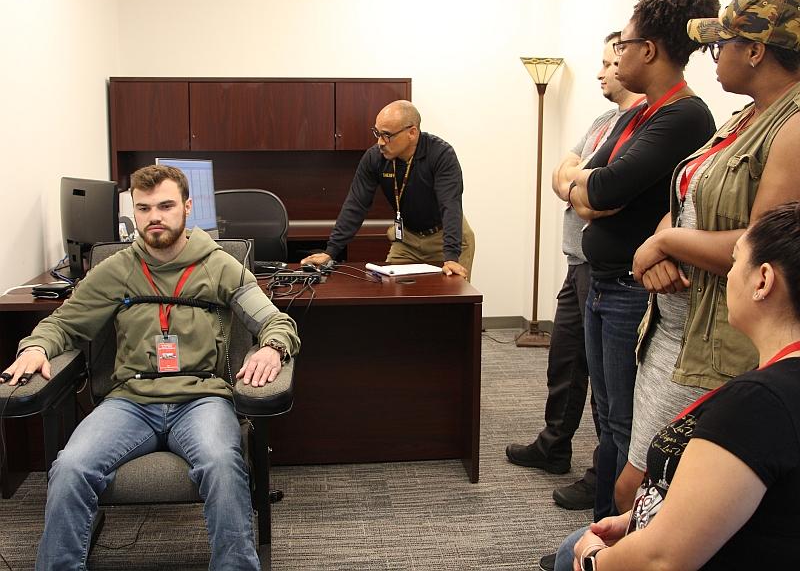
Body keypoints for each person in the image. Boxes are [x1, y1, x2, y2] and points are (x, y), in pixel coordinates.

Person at [0, 165, 300, 570]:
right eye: (144, 208)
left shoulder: (219, 265)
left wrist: (271, 348)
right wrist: (36, 347)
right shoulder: (116, 270)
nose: (154, 216)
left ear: (187, 208)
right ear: (134, 213)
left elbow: (274, 321)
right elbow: (64, 325)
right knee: (70, 468)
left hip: (201, 398)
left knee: (222, 465)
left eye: (165, 205)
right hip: (130, 402)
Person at [617, 0, 800, 510]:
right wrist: (660, 247)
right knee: (642, 479)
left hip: (720, 341)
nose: (713, 57)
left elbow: (761, 244)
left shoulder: (791, 124)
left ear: (756, 50)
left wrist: (664, 241)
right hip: (678, 323)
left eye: (722, 45)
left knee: (648, 490)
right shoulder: (748, 114)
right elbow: (691, 193)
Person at [554, 201, 800, 571]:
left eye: (735, 263)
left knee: (572, 550)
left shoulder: (756, 404)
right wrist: (647, 516)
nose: (728, 276)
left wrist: (593, 561)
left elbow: (663, 559)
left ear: (762, 280)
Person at [564, 0, 718, 526]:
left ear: (648, 50)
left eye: (622, 47)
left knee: (625, 429)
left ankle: (612, 537)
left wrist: (586, 186)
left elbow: (598, 185)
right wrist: (587, 186)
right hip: (604, 283)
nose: (616, 56)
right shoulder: (640, 114)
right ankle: (603, 528)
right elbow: (583, 179)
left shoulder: (685, 115)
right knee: (606, 419)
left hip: (634, 292)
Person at [506, 32, 642, 512]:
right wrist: (575, 181)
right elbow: (562, 170)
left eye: (609, 62)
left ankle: (600, 475)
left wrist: (580, 185)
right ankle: (554, 445)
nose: (602, 72)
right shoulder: (604, 120)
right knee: (565, 360)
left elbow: (601, 200)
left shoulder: (644, 126)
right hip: (575, 263)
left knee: (606, 384)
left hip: (609, 271)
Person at [300, 100, 475, 279]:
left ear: (412, 133)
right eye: (377, 133)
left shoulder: (441, 155)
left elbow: (450, 205)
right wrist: (331, 251)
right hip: (407, 240)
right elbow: (356, 205)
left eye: (387, 135)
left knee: (450, 299)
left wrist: (452, 256)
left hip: (444, 236)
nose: (380, 142)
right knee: (392, 291)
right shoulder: (374, 158)